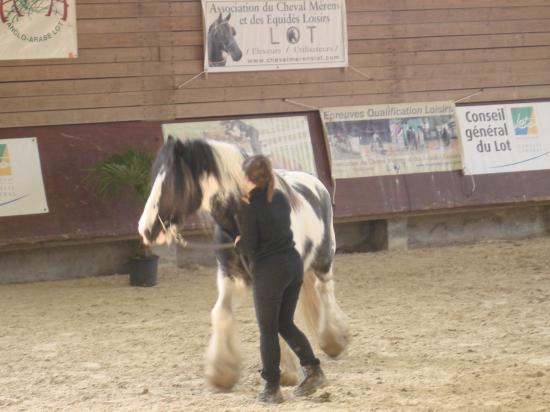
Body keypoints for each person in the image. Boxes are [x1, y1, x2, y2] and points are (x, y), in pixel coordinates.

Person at [234, 155, 326, 404]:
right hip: (293, 265)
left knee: (267, 330)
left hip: (270, 271)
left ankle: (271, 387)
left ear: (247, 179)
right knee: (285, 323)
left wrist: (238, 243)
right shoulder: (282, 199)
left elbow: (250, 246)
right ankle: (313, 370)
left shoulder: (252, 209)